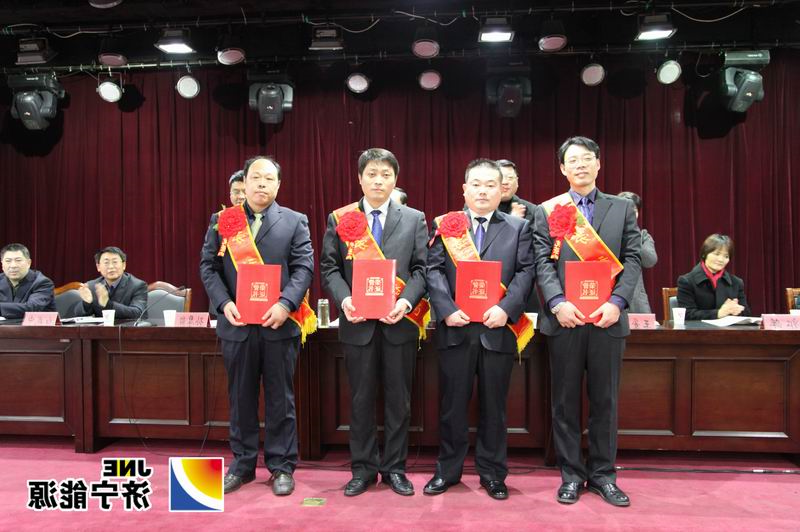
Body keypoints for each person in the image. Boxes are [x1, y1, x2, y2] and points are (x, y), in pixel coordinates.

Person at [532, 136, 641, 507]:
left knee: (605, 401)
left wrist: (618, 302)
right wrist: (557, 303)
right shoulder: (548, 210)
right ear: (563, 168)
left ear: (598, 163)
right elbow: (542, 262)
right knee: (564, 402)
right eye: (573, 160)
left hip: (607, 320)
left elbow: (632, 259)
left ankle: (603, 476)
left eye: (587, 158)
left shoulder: (621, 208)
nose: (580, 165)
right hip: (566, 321)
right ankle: (571, 476)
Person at [200, 156, 314, 497]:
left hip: (279, 324)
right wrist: (224, 303)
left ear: (279, 185)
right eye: (256, 177)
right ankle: (242, 464)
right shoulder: (223, 220)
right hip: (237, 324)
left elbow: (304, 268)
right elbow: (208, 267)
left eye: (269, 178)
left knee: (281, 399)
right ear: (244, 183)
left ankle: (282, 466)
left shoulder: (295, 221)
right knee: (240, 397)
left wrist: (285, 304)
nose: (262, 184)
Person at [320, 148, 429, 497]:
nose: (378, 180)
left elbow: (422, 269)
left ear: (395, 179)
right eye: (371, 174)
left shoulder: (414, 218)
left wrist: (405, 302)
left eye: (385, 174)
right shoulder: (341, 218)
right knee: (361, 400)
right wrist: (345, 299)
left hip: (399, 323)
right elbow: (329, 268)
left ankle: (395, 468)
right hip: (358, 324)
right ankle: (363, 469)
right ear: (359, 178)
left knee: (399, 400)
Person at [424, 158, 535, 500]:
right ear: (464, 189)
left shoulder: (518, 228)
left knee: (494, 407)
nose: (483, 191)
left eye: (490, 185)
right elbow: (433, 270)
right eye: (476, 184)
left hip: (497, 329)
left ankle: (493, 474)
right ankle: (447, 471)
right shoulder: (447, 225)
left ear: (502, 190)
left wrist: (505, 309)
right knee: (452, 406)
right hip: (456, 329)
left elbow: (526, 272)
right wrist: (446, 310)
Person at [677, 233, 749, 320]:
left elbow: (746, 313)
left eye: (726, 256)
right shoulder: (687, 281)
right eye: (717, 254)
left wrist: (736, 310)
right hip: (699, 328)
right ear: (704, 254)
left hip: (728, 328)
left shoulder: (736, 282)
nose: (721, 259)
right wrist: (719, 313)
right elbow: (687, 314)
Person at [69, 246, 147, 319]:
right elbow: (77, 315)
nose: (111, 267)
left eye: (115, 262)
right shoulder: (93, 286)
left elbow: (138, 313)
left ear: (124, 265)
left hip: (127, 328)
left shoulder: (138, 285)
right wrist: (86, 303)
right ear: (98, 267)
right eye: (106, 263)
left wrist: (108, 304)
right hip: (101, 329)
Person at [617, 192, 657, 313]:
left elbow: (650, 261)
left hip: (636, 301)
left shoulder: (643, 236)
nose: (630, 213)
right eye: (626, 209)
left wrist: (633, 236)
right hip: (610, 298)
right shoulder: (607, 234)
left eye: (634, 210)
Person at [0, 243, 56, 319]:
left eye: (18, 260)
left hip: (36, 325)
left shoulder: (42, 282)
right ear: (2, 264)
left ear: (28, 263)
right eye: (8, 261)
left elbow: (31, 308)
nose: (13, 265)